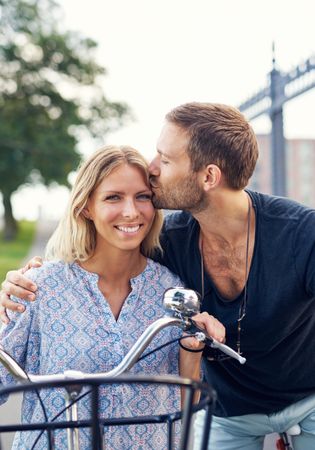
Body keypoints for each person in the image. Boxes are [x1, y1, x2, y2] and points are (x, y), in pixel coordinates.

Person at [2, 101, 315, 450]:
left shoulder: (300, 234)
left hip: (306, 396)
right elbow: (96, 251)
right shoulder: (165, 244)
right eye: (114, 197)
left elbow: (183, 386)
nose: (152, 169)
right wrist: (23, 282)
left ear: (209, 176)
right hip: (231, 410)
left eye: (164, 160)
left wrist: (191, 343)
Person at [0, 144, 224, 450]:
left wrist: (192, 348)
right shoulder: (39, 287)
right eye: (113, 197)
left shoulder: (171, 291)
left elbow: (186, 408)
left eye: (142, 197)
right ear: (86, 207)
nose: (131, 211)